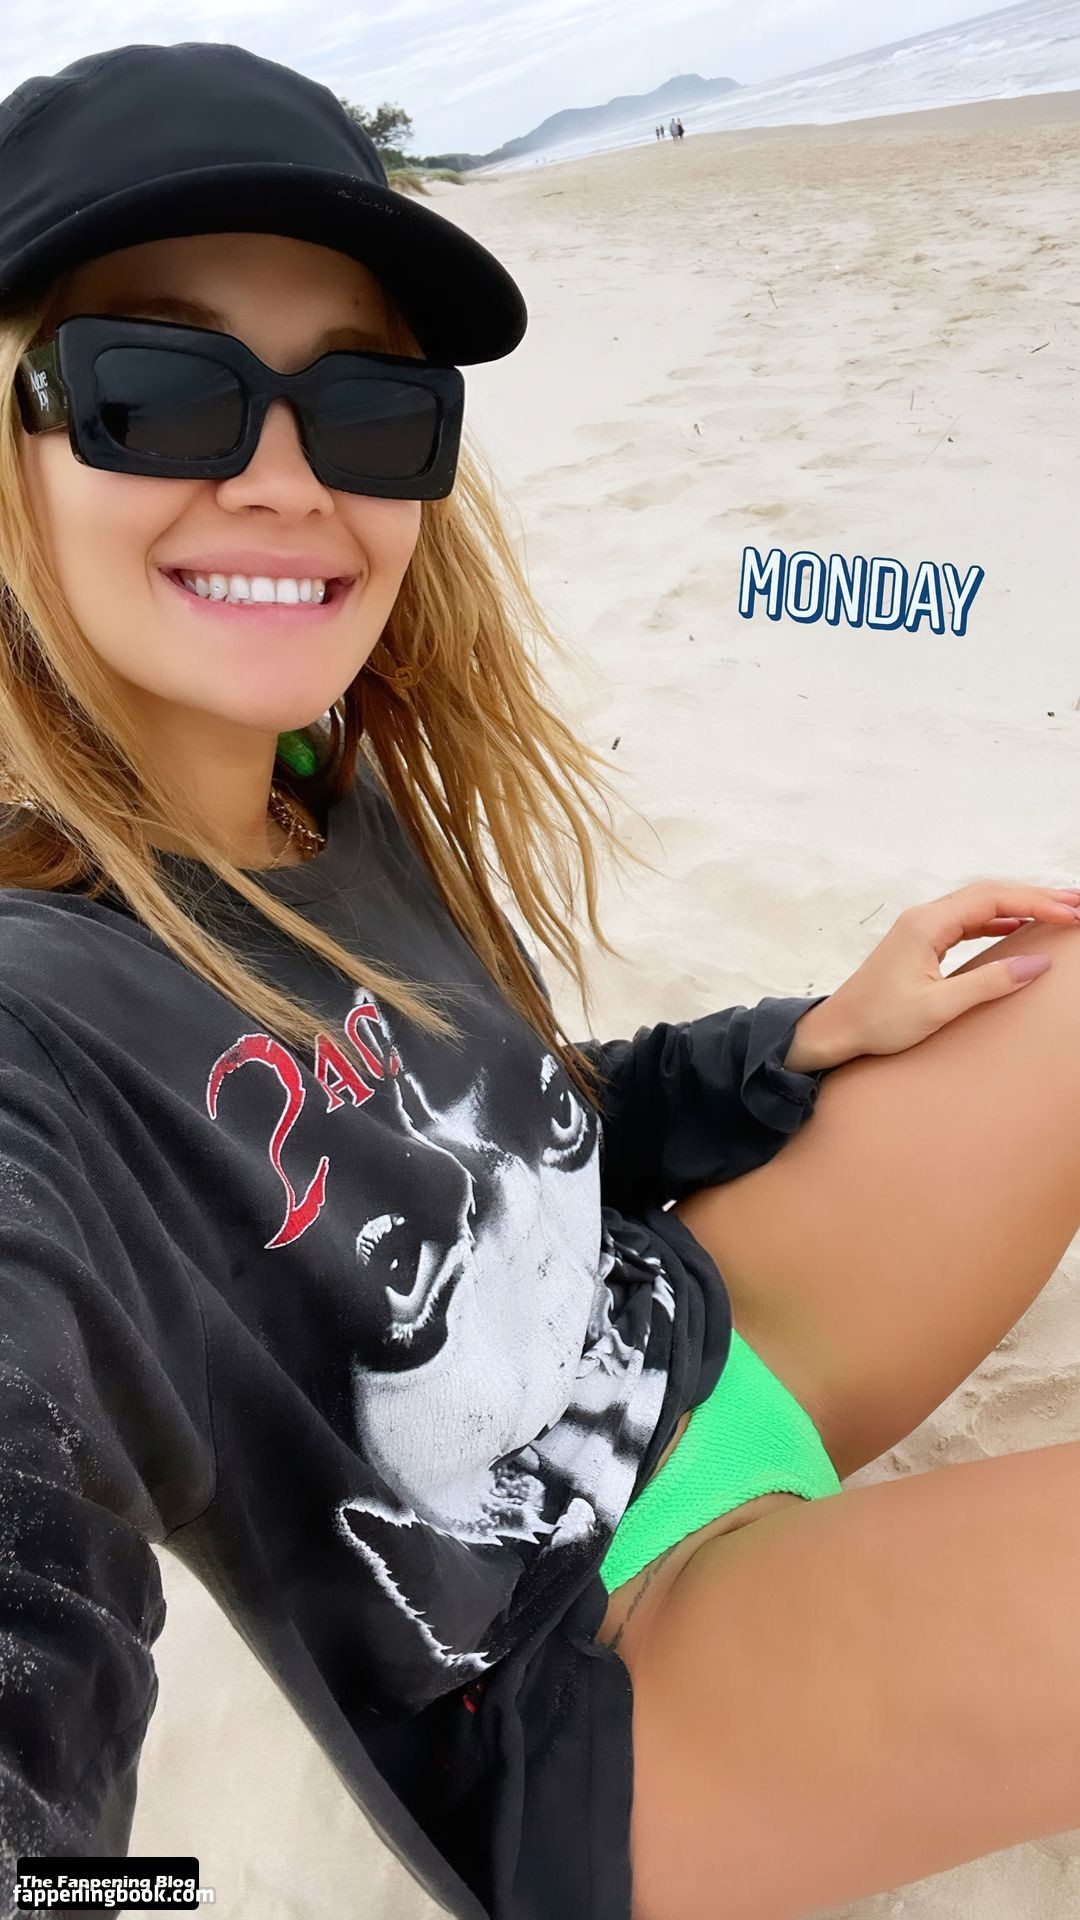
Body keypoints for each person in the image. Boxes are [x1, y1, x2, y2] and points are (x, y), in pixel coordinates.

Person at [1, 37, 1080, 1920]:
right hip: (597, 1680)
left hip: (694, 1342)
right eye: (156, 390)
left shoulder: (323, 785)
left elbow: (500, 1119)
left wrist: (803, 1044)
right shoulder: (41, 1025)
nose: (284, 480)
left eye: (367, 406)